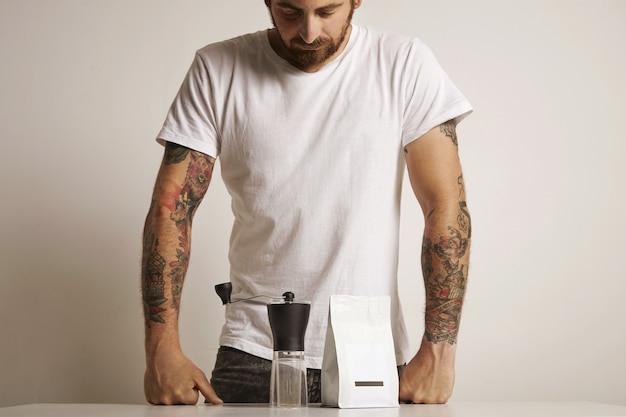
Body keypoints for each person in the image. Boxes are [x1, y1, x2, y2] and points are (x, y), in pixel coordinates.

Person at [141, 0, 472, 406]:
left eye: (327, 11)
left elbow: (446, 208)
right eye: (290, 11)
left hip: (370, 352)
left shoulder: (403, 63)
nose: (309, 32)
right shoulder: (218, 68)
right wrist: (160, 351)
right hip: (254, 354)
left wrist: (439, 354)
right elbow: (171, 209)